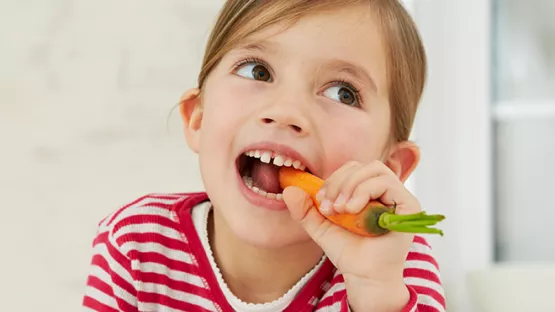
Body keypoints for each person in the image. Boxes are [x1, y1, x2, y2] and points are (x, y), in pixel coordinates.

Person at [82, 0, 446, 311]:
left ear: (389, 168)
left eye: (343, 93)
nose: (286, 111)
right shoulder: (137, 243)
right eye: (258, 71)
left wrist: (375, 293)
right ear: (198, 118)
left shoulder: (395, 266)